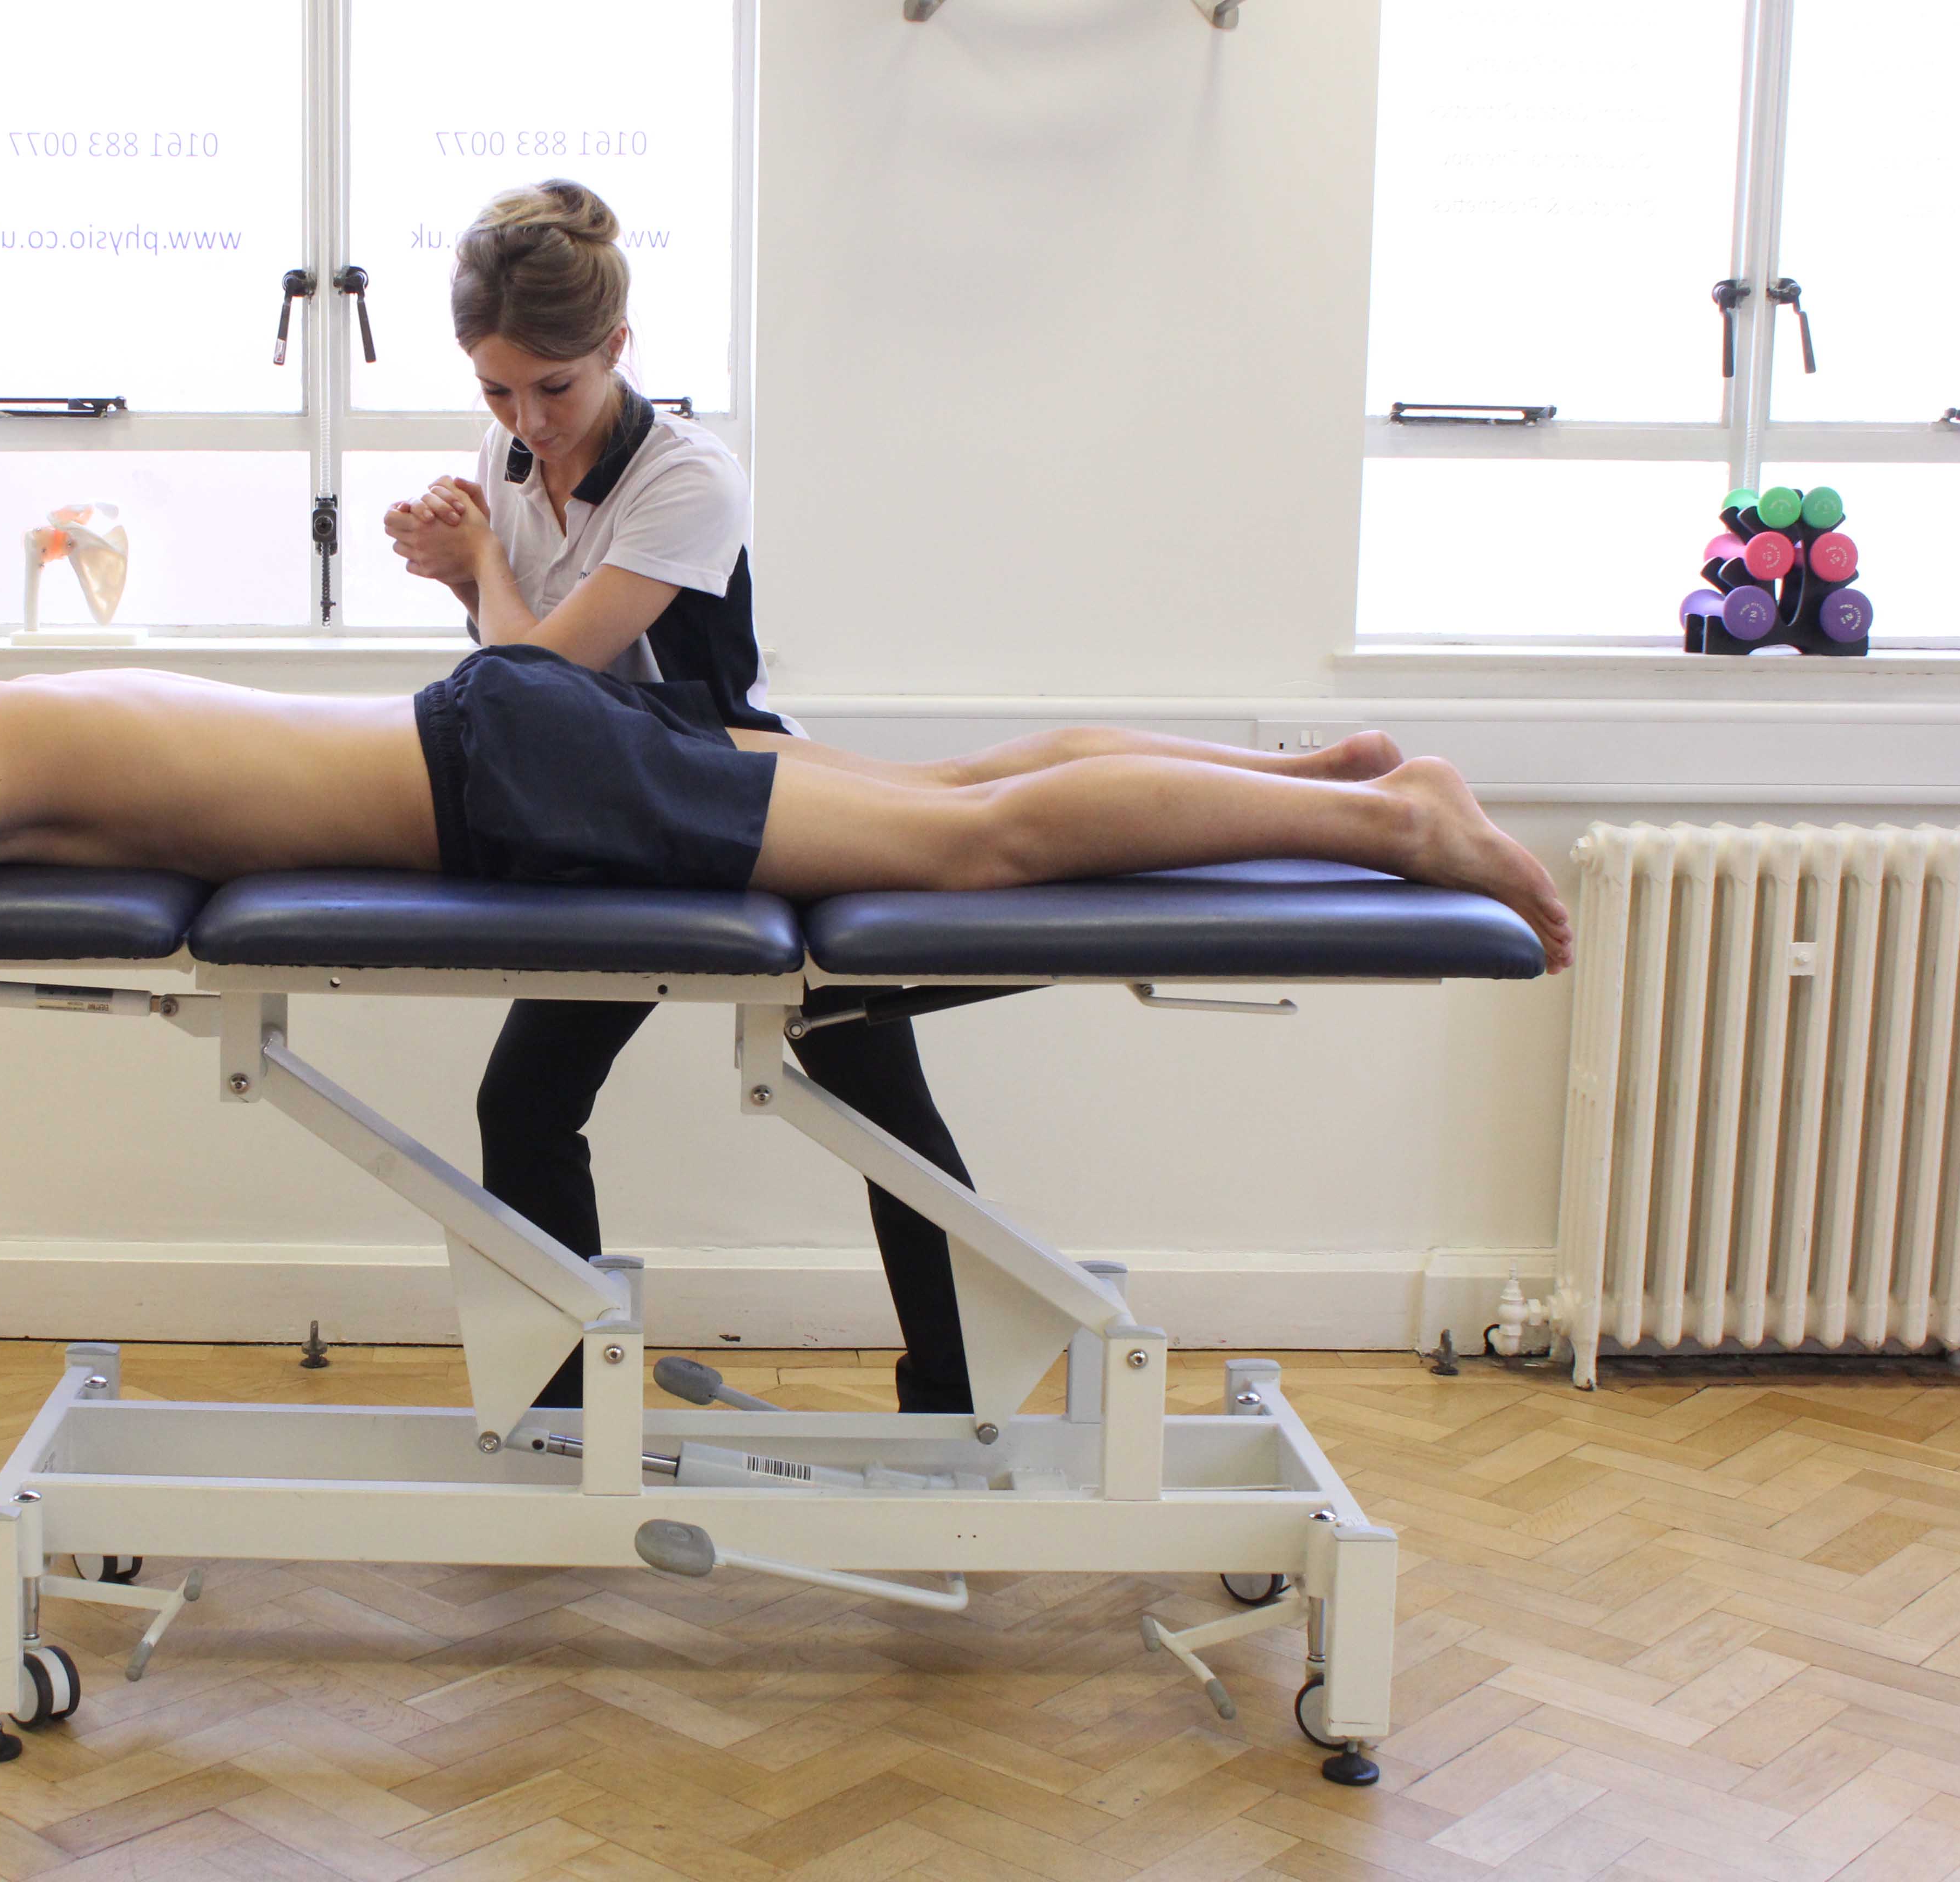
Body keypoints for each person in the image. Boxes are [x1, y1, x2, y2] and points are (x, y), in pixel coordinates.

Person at [378, 184, 1387, 1413]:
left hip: (732, 799)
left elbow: (537, 678)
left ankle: (952, 1398)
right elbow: (527, 684)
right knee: (526, 1100)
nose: (525, 419)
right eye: (496, 391)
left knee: (888, 1071)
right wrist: (463, 564)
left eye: (555, 388)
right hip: (621, 819)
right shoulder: (511, 457)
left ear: (617, 352)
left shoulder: (689, 476)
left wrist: (471, 560)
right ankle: (559, 1410)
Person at [0, 656, 1572, 1033]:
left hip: (512, 775)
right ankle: (1314, 777)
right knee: (957, 793)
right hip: (509, 737)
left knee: (969, 850)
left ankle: (1388, 819)